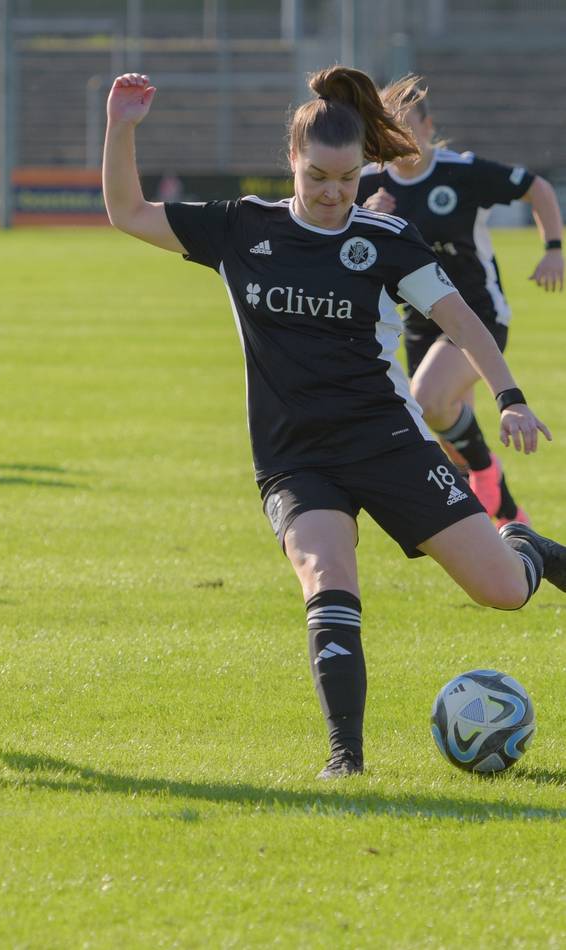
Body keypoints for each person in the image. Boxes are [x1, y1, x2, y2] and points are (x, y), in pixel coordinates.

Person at [102, 67, 566, 778]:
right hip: (296, 456)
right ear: (292, 159)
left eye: (347, 180)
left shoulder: (384, 238)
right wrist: (121, 129)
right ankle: (345, 758)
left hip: (387, 443)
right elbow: (129, 212)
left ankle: (525, 546)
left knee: (501, 591)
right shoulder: (240, 227)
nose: (332, 193)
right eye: (318, 176)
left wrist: (509, 398)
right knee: (325, 570)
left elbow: (460, 319)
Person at [357, 77, 564, 527]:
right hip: (418, 321)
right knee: (451, 429)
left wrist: (552, 249)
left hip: (477, 314)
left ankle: (489, 477)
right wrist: (367, 217)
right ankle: (511, 518)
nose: (401, 138)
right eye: (389, 129)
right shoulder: (367, 186)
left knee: (428, 399)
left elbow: (538, 188)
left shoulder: (462, 172)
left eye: (409, 127)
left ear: (428, 126)